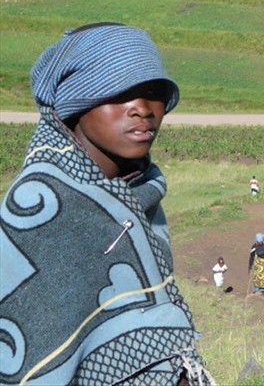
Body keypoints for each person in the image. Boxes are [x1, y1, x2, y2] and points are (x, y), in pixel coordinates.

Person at [0, 23, 215, 386]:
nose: (143, 109)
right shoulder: (44, 210)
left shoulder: (135, 193)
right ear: (76, 103)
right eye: (118, 93)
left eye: (153, 93)